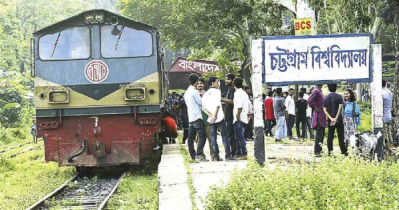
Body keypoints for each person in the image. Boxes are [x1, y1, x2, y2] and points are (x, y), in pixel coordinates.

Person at [202, 77, 234, 161]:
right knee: (224, 137)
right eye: (217, 82)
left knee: (213, 138)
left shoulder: (205, 94)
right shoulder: (217, 91)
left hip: (211, 119)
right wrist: (215, 115)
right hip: (219, 118)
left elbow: (204, 108)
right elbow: (217, 105)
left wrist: (211, 115)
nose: (218, 84)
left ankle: (216, 156)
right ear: (212, 83)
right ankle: (228, 155)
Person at [183, 73, 207, 161]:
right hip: (197, 116)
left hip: (191, 116)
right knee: (203, 136)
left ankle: (193, 155)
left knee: (190, 137)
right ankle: (199, 154)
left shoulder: (186, 92)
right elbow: (200, 102)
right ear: (196, 82)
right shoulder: (194, 92)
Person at [323, 84, 346, 156]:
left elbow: (325, 110)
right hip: (339, 120)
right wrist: (336, 118)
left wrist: (331, 118)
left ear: (329, 88)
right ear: (336, 88)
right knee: (341, 136)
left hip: (330, 120)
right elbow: (340, 108)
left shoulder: (326, 98)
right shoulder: (339, 97)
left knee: (330, 136)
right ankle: (343, 151)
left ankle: (330, 151)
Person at [196, 78, 215, 160]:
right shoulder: (194, 94)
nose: (200, 85)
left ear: (204, 85)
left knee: (211, 138)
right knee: (199, 139)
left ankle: (213, 155)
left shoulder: (208, 94)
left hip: (207, 119)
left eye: (201, 83)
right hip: (198, 120)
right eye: (198, 83)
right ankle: (201, 155)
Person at [233, 77, 251, 160]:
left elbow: (239, 106)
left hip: (239, 118)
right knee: (240, 136)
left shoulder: (237, 93)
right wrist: (249, 113)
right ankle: (240, 153)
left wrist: (237, 116)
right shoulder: (244, 93)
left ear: (234, 84)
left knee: (240, 137)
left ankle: (243, 153)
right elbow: (249, 105)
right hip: (244, 117)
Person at [221, 73, 239, 158]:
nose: (226, 80)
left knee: (231, 135)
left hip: (231, 116)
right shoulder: (229, 89)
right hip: (228, 116)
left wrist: (221, 99)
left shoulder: (232, 89)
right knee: (230, 135)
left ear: (232, 81)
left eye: (228, 79)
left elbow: (232, 101)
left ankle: (234, 152)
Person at [308, 84, 326, 157]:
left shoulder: (319, 91)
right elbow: (309, 100)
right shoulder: (316, 91)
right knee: (319, 134)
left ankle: (320, 150)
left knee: (321, 134)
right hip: (319, 115)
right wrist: (315, 107)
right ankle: (317, 151)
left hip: (322, 115)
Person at [381, 79, 393, 159]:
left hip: (383, 117)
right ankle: (392, 147)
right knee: (389, 133)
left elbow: (380, 106)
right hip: (389, 115)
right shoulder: (389, 92)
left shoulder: (381, 93)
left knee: (384, 134)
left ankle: (386, 151)